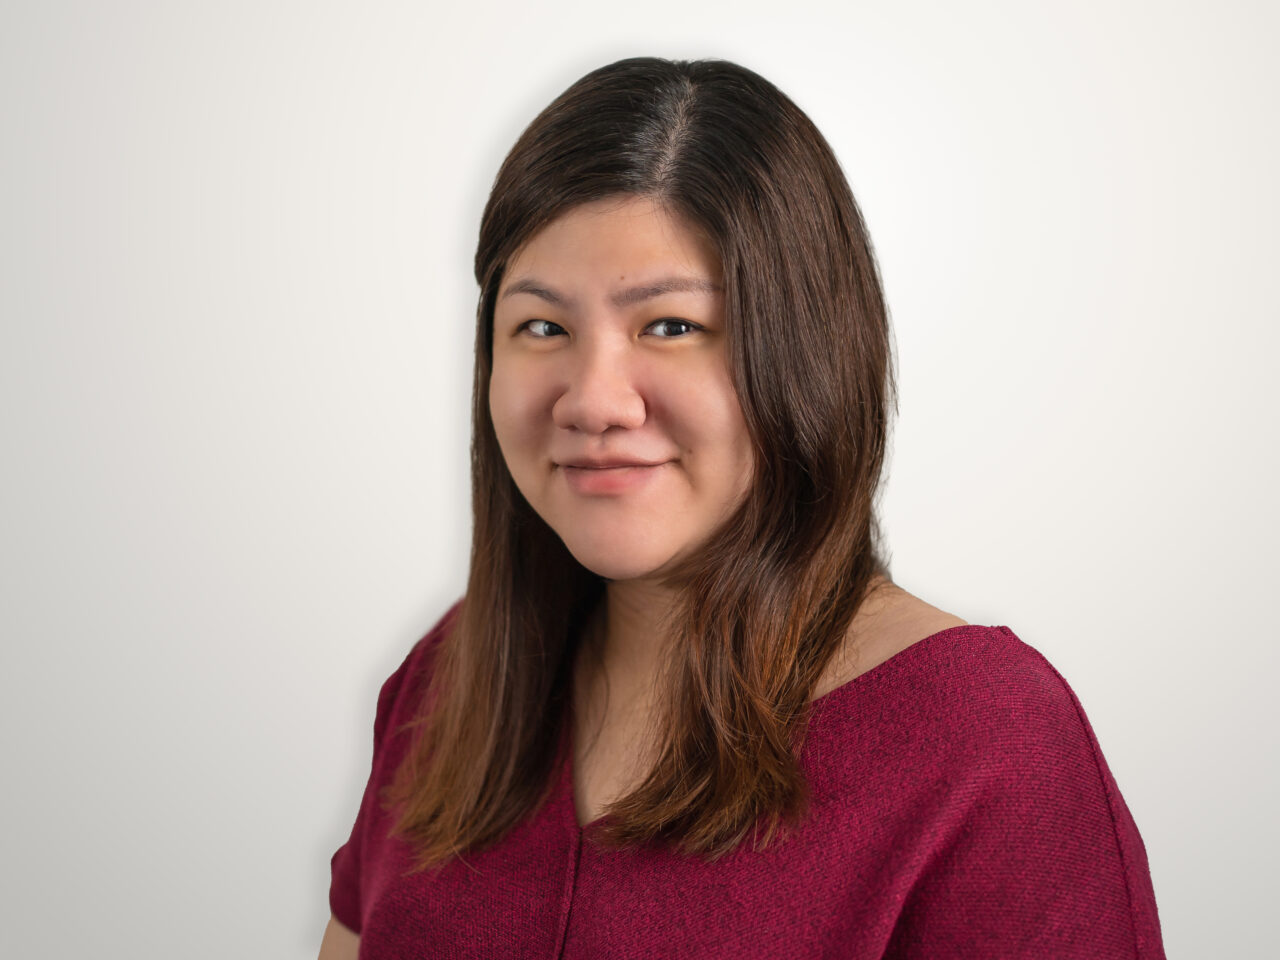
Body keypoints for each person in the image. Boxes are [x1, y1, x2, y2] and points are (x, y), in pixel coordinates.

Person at [318, 57, 1165, 959]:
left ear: (803, 354)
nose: (593, 400)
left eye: (671, 326)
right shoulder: (446, 685)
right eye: (543, 327)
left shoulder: (989, 745)